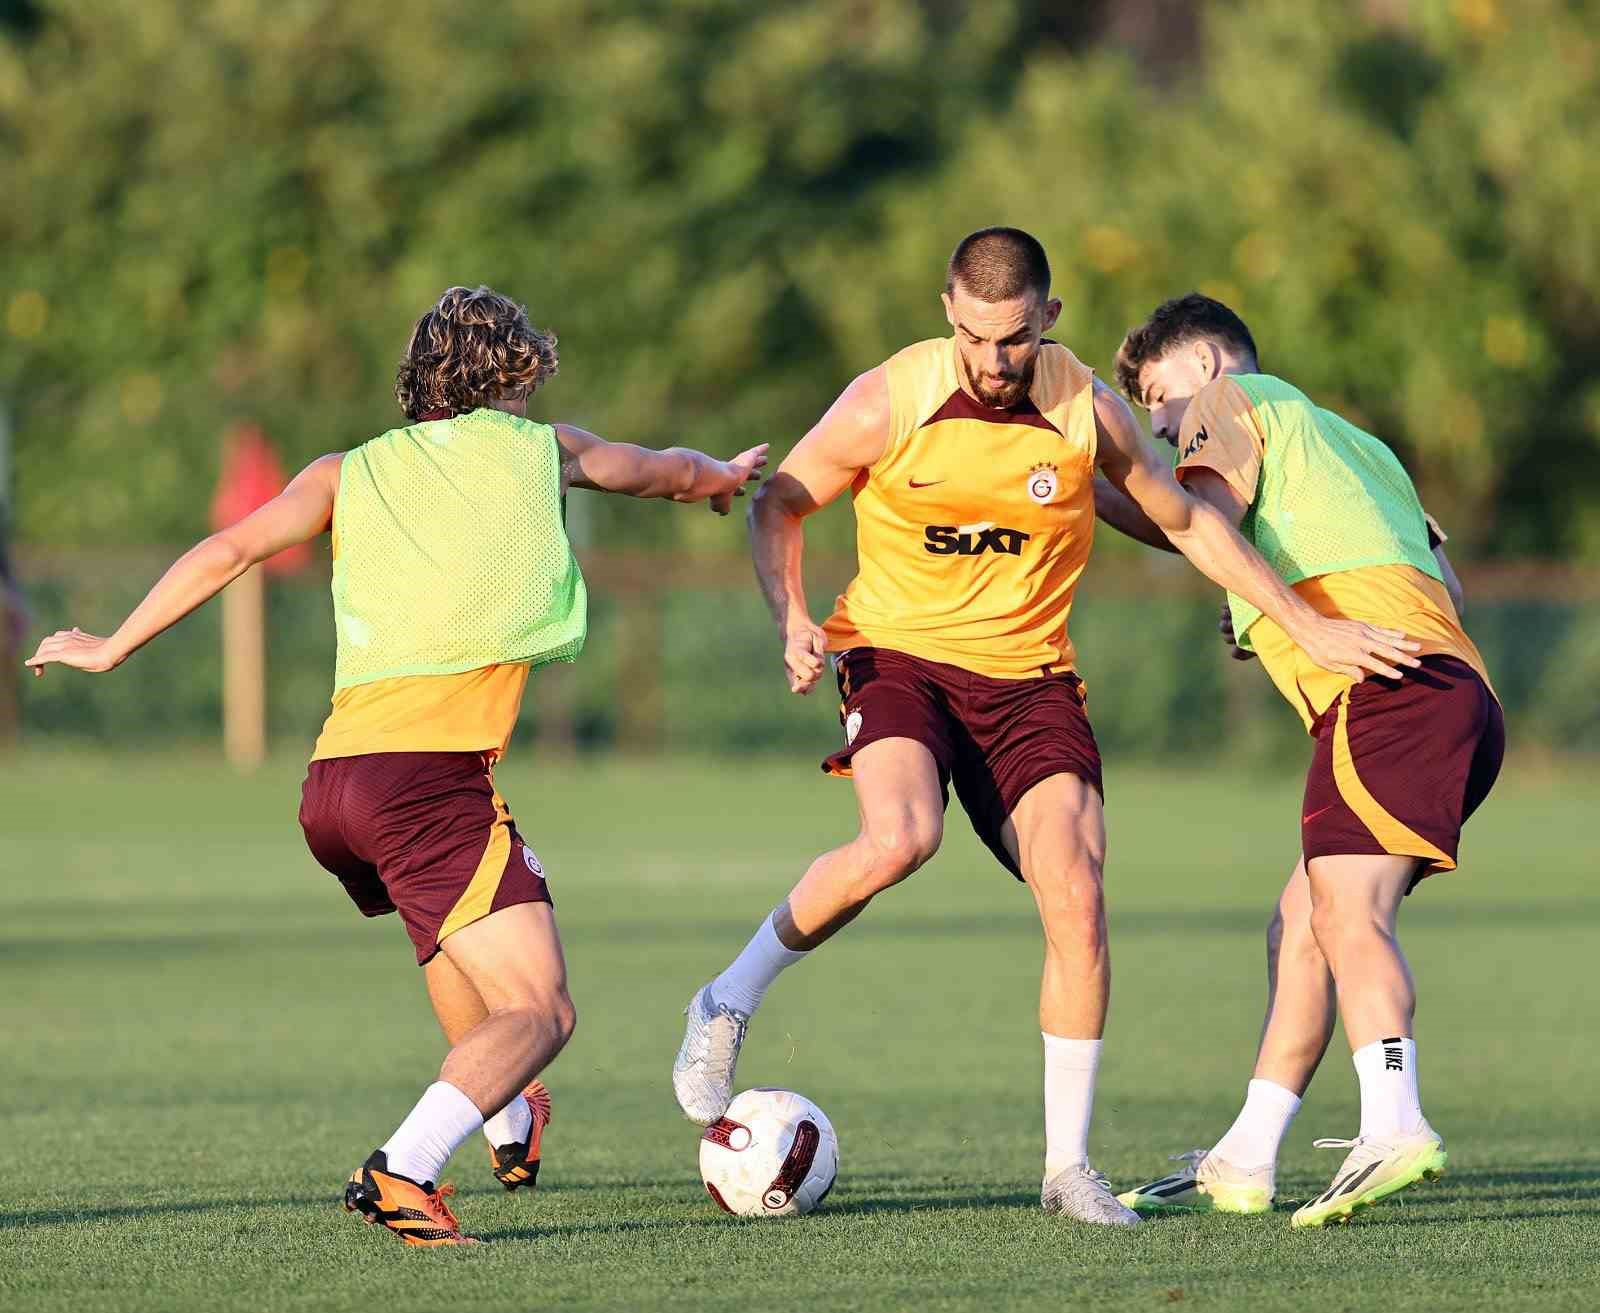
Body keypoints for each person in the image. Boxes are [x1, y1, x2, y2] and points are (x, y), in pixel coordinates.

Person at [670, 229, 1419, 1227]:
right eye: (977, 337)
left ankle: (1066, 1168)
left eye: (1014, 339)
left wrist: (1301, 617)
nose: (994, 360)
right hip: (899, 652)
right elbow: (782, 504)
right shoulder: (888, 396)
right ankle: (725, 999)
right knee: (902, 834)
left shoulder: (1087, 407)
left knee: (1074, 885)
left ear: (1047, 321)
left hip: (1028, 678)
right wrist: (792, 619)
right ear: (948, 310)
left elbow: (1191, 523)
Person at [26, 285, 766, 1246]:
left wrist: (114, 641)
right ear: (518, 373)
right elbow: (664, 472)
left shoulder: (347, 470)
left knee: (454, 942)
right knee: (542, 1008)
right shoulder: (544, 449)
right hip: (425, 782)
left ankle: (507, 1120)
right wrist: (721, 475)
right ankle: (400, 1171)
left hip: (333, 784)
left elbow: (231, 546)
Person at [1107, 293, 1502, 1228]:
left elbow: (1193, 519)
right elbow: (1446, 582)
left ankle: (1395, 1122)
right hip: (1452, 693)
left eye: (1161, 400)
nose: (1165, 427)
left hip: (1387, 693)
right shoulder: (1356, 443)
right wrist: (1284, 591)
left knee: (1348, 911)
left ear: (1204, 363)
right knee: (1302, 929)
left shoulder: (1226, 405)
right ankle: (1244, 1157)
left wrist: (1082, 480)